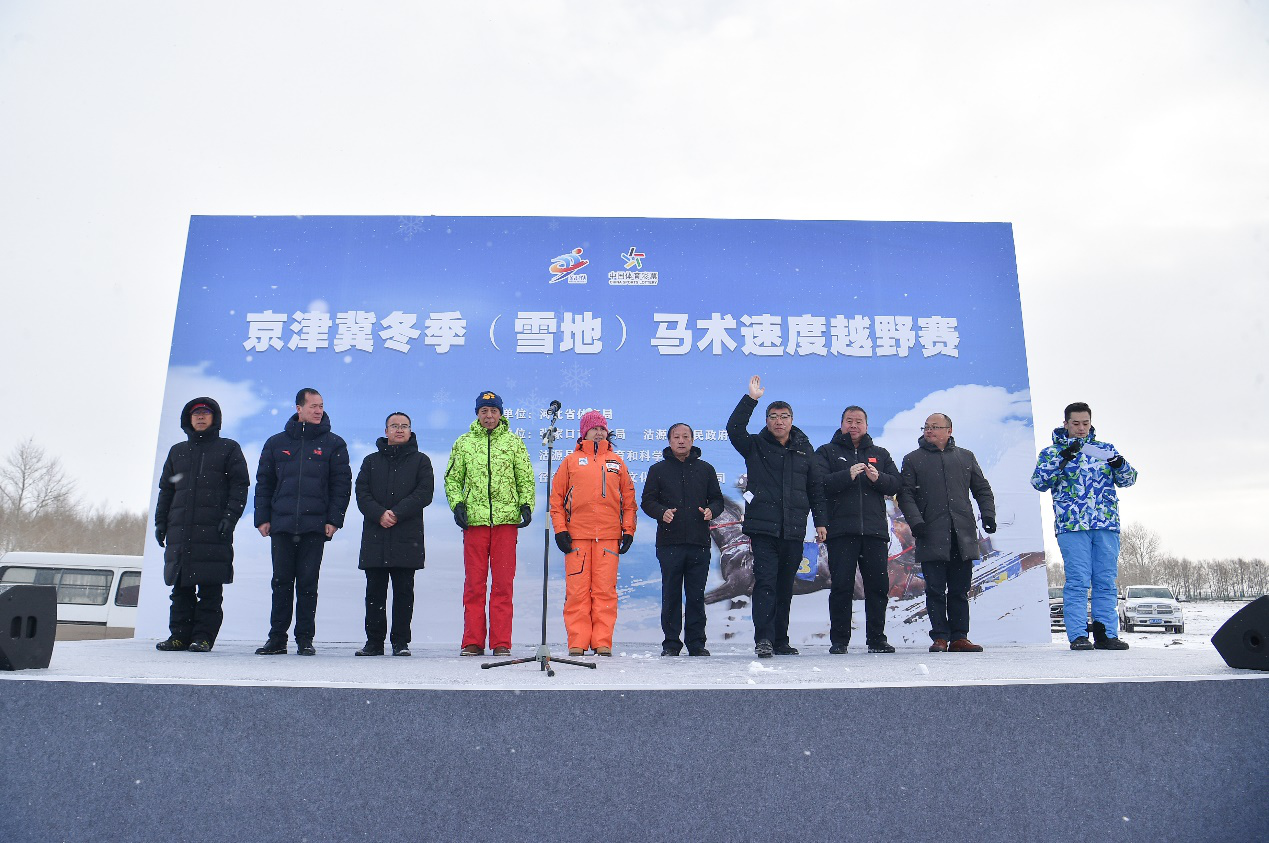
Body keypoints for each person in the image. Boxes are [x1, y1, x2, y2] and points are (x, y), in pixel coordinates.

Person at [726, 376, 827, 658]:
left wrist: (820, 521)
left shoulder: (805, 450)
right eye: (773, 417)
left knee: (785, 587)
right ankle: (764, 640)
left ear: (792, 421)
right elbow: (733, 428)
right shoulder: (756, 446)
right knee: (766, 583)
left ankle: (781, 640)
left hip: (793, 531)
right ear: (767, 420)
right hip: (764, 530)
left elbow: (815, 488)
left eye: (784, 417)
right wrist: (751, 400)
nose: (778, 422)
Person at [253, 388, 351, 656]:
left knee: (308, 583)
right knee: (281, 582)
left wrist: (334, 520)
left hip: (314, 526)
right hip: (281, 525)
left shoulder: (334, 444)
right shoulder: (276, 443)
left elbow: (341, 485)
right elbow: (264, 482)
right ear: (299, 408)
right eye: (313, 406)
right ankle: (277, 639)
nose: (318, 410)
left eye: (321, 406)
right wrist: (262, 517)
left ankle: (305, 639)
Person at [1031, 402, 1137, 651]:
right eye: (1076, 423)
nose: (1081, 428)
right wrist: (1061, 459)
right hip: (1072, 525)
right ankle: (1078, 635)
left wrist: (1119, 464)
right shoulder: (1051, 452)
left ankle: (1106, 634)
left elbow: (1129, 479)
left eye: (1085, 423)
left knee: (1106, 581)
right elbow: (1038, 482)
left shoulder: (1104, 449)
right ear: (1065, 423)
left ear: (1091, 423)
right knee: (1078, 581)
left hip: (1105, 523)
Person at [153, 398, 250, 652]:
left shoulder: (228, 449)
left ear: (214, 418)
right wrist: (161, 522)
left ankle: (203, 637)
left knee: (209, 590)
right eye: (195, 414)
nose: (200, 417)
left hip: (213, 531)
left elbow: (240, 487)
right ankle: (179, 636)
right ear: (188, 419)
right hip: (181, 531)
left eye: (206, 413)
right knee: (180, 589)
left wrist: (230, 518)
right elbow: (166, 490)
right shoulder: (177, 451)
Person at [443, 391, 535, 657]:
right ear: (477, 414)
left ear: (501, 413)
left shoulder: (514, 443)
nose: (489, 415)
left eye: (493, 410)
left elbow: (525, 477)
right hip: (475, 522)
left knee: (503, 585)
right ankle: (472, 640)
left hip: (506, 522)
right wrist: (457, 504)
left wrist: (525, 504)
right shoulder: (464, 443)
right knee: (474, 584)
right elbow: (452, 479)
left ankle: (501, 642)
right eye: (484, 411)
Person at [898, 413, 996, 653]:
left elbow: (982, 489)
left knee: (960, 589)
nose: (929, 431)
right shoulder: (913, 459)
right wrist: (916, 522)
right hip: (930, 532)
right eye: (926, 427)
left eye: (935, 427)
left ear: (949, 430)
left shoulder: (965, 457)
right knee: (935, 589)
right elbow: (905, 495)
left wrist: (989, 515)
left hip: (961, 534)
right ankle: (940, 637)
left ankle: (960, 637)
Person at [549, 410, 636, 657]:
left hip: (608, 537)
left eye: (602, 428)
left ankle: (602, 641)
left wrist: (628, 530)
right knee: (576, 592)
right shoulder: (570, 461)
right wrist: (560, 530)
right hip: (577, 537)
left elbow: (629, 502)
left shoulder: (617, 462)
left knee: (604, 592)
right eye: (594, 428)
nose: (599, 432)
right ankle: (577, 641)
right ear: (583, 432)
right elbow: (556, 500)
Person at [816, 405, 902, 654]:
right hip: (841, 532)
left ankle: (877, 639)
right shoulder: (827, 452)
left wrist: (879, 479)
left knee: (877, 587)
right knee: (842, 586)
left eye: (859, 421)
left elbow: (896, 483)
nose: (853, 426)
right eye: (849, 421)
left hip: (874, 532)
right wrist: (846, 475)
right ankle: (839, 641)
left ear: (866, 425)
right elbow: (819, 485)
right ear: (841, 423)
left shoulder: (880, 453)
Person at [353, 412, 434, 657]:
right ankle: (374, 643)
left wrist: (397, 513)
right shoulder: (370, 461)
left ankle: (401, 642)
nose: (399, 430)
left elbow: (424, 493)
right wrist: (379, 514)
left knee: (403, 592)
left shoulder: (421, 461)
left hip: (406, 535)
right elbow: (362, 493)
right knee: (374, 592)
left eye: (404, 426)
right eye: (394, 426)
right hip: (376, 535)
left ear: (410, 431)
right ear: (386, 430)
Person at [641, 423, 725, 657]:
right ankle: (671, 643)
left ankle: (696, 643)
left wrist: (711, 511)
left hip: (699, 542)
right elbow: (647, 501)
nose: (681, 440)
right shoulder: (658, 470)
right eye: (676, 437)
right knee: (671, 593)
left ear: (692, 440)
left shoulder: (705, 469)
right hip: (670, 542)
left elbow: (718, 500)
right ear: (669, 441)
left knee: (696, 595)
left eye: (685, 436)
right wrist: (661, 512)